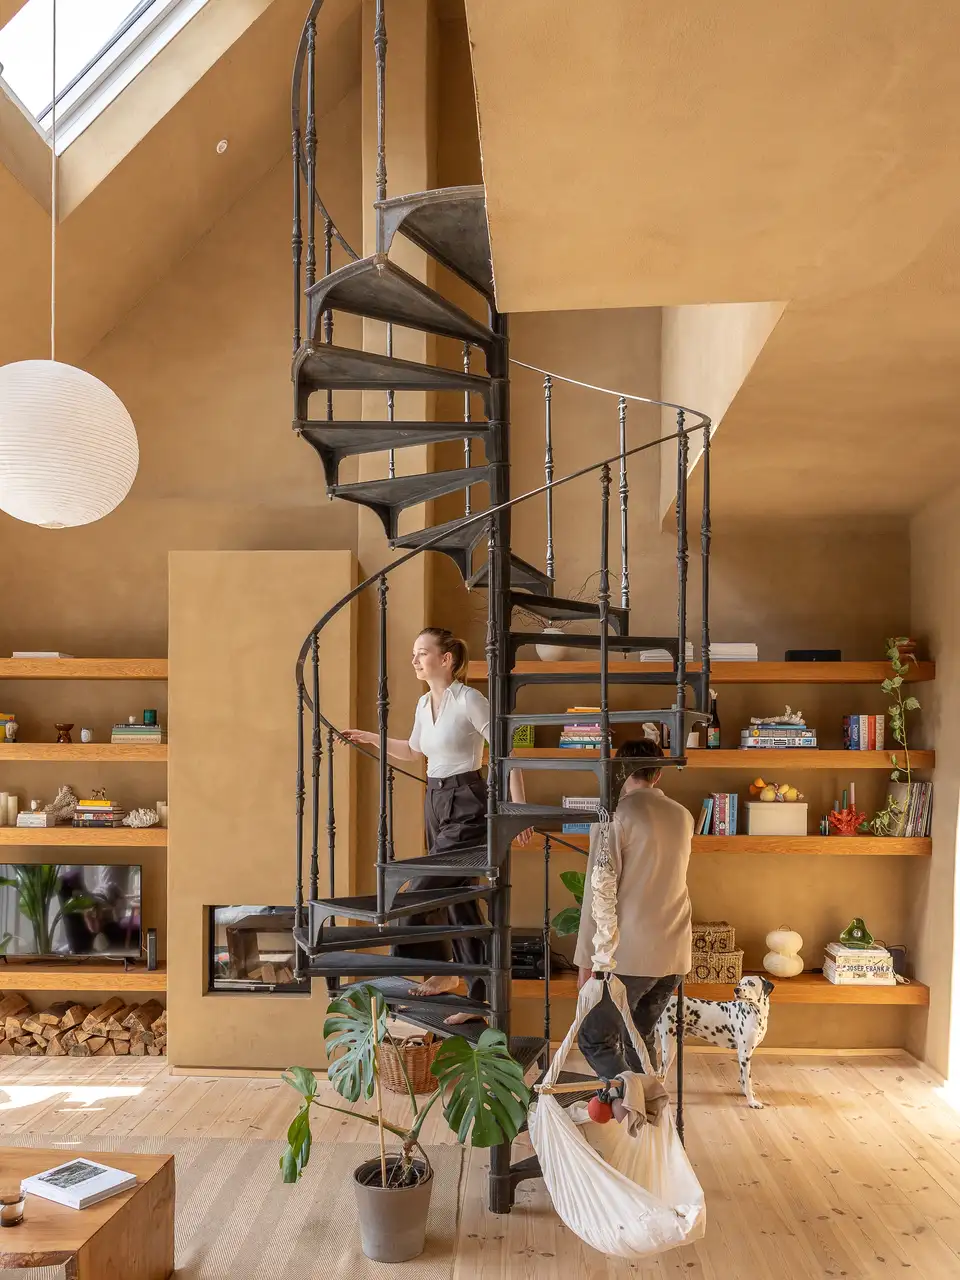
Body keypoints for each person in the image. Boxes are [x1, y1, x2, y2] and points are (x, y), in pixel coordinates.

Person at [343, 626, 529, 1024]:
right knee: (458, 902)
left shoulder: (470, 700)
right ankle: (479, 998)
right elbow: (412, 752)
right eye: (414, 653)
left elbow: (506, 750)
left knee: (419, 895)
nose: (414, 660)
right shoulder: (424, 702)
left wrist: (518, 808)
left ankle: (442, 971)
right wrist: (371, 738)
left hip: (467, 802)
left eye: (422, 653)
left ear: (446, 659)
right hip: (435, 800)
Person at [574, 738, 693, 1087]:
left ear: (620, 771)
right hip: (673, 955)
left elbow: (598, 896)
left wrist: (586, 964)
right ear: (658, 775)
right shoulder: (683, 816)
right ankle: (650, 1125)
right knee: (639, 1043)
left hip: (628, 958)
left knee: (595, 1040)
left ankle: (638, 1107)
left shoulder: (614, 817)